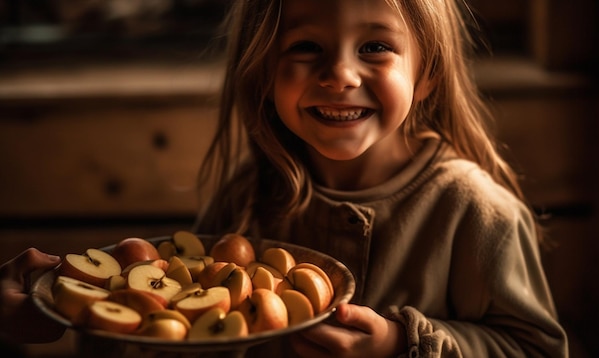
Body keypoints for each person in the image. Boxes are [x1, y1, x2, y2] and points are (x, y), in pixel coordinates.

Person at [1, 0, 568, 356]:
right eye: (305, 48)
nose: (339, 74)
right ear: (264, 71)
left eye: (375, 46)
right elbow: (183, 332)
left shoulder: (475, 210)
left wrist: (403, 345)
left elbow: (536, 349)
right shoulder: (248, 198)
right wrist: (72, 310)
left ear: (426, 76)